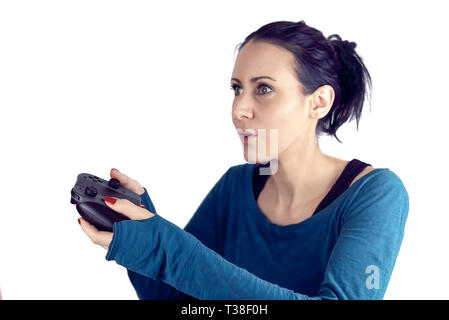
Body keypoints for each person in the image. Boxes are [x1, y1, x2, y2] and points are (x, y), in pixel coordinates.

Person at [79, 20, 409, 299]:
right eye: (237, 89)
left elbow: (181, 260)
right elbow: (174, 296)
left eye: (263, 89)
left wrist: (167, 248)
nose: (239, 110)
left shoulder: (376, 194)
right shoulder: (236, 186)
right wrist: (142, 227)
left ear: (319, 102)